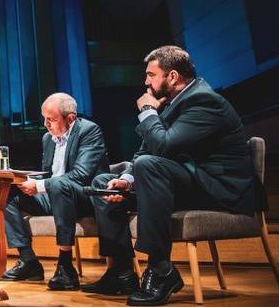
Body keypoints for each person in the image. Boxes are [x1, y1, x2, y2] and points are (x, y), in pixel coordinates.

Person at [85, 46, 257, 306]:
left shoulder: (204, 101)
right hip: (185, 183)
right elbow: (144, 151)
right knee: (104, 183)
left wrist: (147, 111)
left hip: (216, 188)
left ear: (173, 76)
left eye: (151, 75)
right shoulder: (171, 105)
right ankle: (121, 271)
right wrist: (127, 180)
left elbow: (164, 147)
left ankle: (160, 268)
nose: (146, 82)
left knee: (149, 166)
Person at [1, 93, 109, 291]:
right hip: (55, 195)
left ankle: (65, 265)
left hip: (84, 197)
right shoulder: (47, 139)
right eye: (44, 118)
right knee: (8, 191)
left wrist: (40, 186)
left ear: (70, 118)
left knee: (59, 186)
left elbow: (80, 175)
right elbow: (50, 175)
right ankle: (28, 260)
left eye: (51, 119)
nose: (46, 124)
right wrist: (29, 181)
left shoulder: (89, 130)